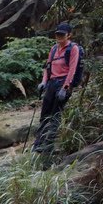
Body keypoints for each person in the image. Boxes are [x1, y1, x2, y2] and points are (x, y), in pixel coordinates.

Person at [32, 22, 81, 155]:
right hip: (52, 83)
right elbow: (48, 67)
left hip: (63, 83)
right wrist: (43, 82)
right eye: (57, 34)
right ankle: (38, 144)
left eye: (62, 34)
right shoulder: (54, 48)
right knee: (44, 114)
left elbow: (72, 69)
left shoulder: (73, 49)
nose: (59, 36)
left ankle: (48, 145)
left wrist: (65, 88)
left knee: (55, 115)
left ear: (69, 35)